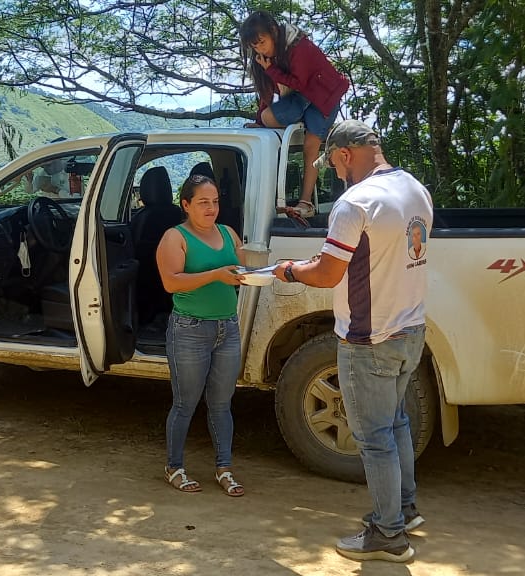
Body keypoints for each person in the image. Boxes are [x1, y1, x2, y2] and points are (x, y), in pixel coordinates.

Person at [273, 121, 433, 562]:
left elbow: (328, 274)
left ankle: (388, 535)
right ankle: (404, 511)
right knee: (395, 424)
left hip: (368, 339)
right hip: (410, 329)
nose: (335, 174)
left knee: (375, 438)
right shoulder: (414, 189)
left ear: (344, 154)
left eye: (333, 164)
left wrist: (290, 270)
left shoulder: (354, 203)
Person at [155, 174, 247, 497]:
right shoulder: (175, 237)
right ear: (186, 204)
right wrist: (216, 275)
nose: (211, 208)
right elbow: (171, 282)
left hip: (227, 327)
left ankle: (224, 468)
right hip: (189, 330)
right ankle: (174, 466)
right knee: (185, 403)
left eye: (215, 202)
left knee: (222, 404)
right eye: (203, 202)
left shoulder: (228, 233)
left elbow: (242, 271)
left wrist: (259, 272)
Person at [239, 10, 349, 222]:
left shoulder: (299, 46)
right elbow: (267, 89)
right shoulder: (265, 58)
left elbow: (298, 82)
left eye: (262, 42)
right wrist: (259, 121)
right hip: (301, 96)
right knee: (268, 118)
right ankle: (304, 123)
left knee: (311, 145)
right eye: (255, 46)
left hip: (324, 94)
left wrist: (271, 70)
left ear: (274, 31)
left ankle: (305, 203)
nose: (260, 49)